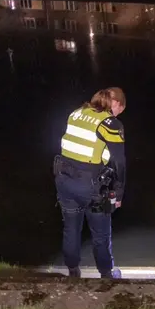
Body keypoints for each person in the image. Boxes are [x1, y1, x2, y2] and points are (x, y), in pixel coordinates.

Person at [54, 87, 126, 279]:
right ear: (116, 104)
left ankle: (72, 271)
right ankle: (106, 274)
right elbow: (119, 163)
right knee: (101, 235)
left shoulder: (76, 113)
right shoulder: (110, 123)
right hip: (91, 185)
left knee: (71, 228)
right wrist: (118, 193)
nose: (119, 114)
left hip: (64, 180)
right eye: (121, 109)